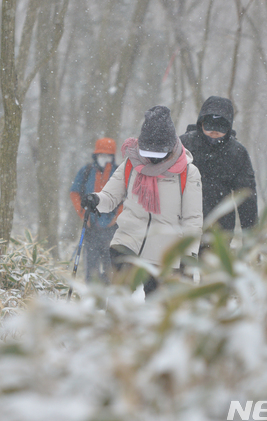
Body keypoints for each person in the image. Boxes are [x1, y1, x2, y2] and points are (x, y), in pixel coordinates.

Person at [81, 106, 203, 295]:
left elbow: (192, 219)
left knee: (157, 310)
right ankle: (114, 324)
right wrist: (96, 200)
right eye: (148, 153)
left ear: (170, 147)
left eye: (158, 154)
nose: (152, 160)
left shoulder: (188, 172)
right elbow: (111, 196)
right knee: (117, 300)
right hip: (128, 242)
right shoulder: (131, 163)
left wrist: (189, 254)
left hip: (165, 251)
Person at [179, 96, 258, 253]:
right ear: (201, 123)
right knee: (179, 274)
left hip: (219, 228)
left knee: (212, 275)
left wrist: (251, 244)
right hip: (183, 224)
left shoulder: (237, 153)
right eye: (209, 125)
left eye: (221, 126)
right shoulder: (183, 146)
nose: (214, 131)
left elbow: (246, 198)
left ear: (228, 127)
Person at [70, 137, 121, 282]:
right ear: (96, 155)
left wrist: (117, 217)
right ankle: (90, 297)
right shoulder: (86, 171)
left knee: (110, 268)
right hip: (91, 227)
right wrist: (82, 213)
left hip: (112, 229)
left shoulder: (119, 173)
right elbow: (74, 193)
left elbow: (127, 198)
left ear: (112, 156)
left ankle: (108, 298)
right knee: (91, 268)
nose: (104, 158)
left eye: (108, 155)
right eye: (101, 155)